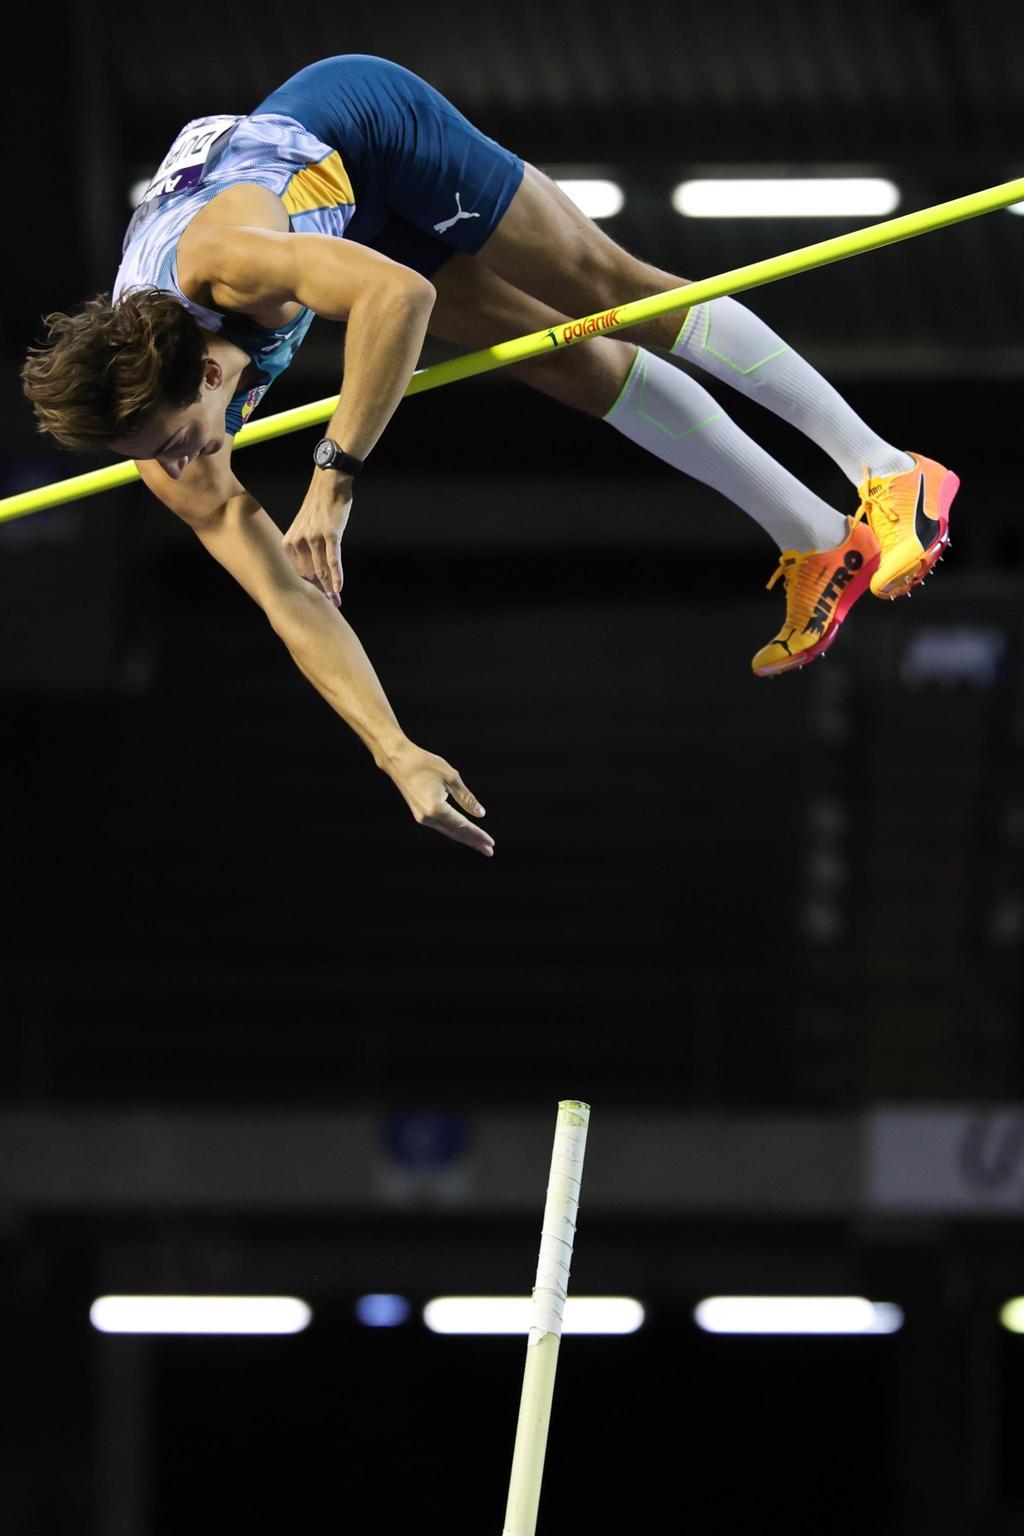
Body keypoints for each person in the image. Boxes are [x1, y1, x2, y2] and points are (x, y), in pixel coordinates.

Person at [20, 54, 958, 858]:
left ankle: (885, 468)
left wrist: (334, 473)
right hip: (343, 229)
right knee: (573, 364)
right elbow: (284, 593)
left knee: (606, 285)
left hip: (367, 129)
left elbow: (400, 302)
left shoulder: (230, 264)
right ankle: (818, 535)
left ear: (193, 370)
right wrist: (395, 750)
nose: (181, 460)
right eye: (155, 455)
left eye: (177, 437)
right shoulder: (163, 448)